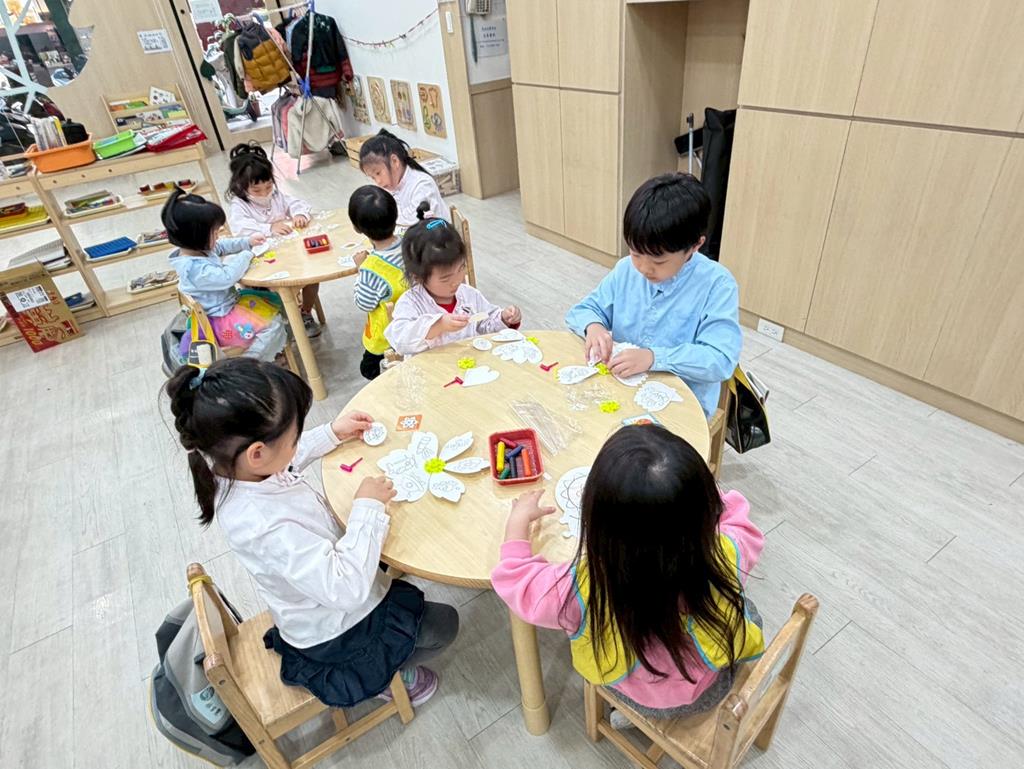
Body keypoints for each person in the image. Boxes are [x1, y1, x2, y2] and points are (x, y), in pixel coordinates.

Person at [164, 357, 459, 707]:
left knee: (386, 557)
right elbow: (346, 589)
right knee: (445, 625)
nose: (297, 442)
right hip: (334, 631)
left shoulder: (235, 469)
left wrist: (333, 432)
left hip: (314, 599)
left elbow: (284, 458)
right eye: (294, 437)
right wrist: (366, 507)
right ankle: (381, 675)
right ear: (257, 453)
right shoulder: (263, 524)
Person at [492, 424, 765, 719]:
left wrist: (517, 523)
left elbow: (518, 582)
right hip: (708, 685)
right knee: (749, 612)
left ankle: (632, 720)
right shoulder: (728, 551)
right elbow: (736, 515)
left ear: (596, 520)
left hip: (637, 695)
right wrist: (689, 492)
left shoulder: (580, 589)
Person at [565, 173, 742, 418]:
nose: (644, 268)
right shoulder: (626, 270)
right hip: (622, 388)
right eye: (636, 253)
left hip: (681, 405)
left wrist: (653, 357)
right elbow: (583, 310)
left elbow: (720, 359)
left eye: (659, 261)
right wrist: (593, 326)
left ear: (695, 246)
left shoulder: (717, 285)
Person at [163, 189, 288, 363]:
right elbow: (227, 277)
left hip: (227, 307)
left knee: (275, 302)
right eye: (214, 233)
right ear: (196, 237)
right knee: (273, 325)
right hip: (219, 321)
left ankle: (273, 350)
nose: (218, 235)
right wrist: (247, 254)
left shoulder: (197, 250)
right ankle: (250, 363)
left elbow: (221, 246)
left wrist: (247, 241)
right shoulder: (194, 269)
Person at [384, 205, 520, 356]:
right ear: (418, 277)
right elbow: (400, 341)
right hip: (431, 369)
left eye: (461, 268)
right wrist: (438, 325)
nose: (457, 281)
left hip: (470, 364)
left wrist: (504, 318)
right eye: (445, 278)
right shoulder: (411, 303)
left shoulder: (469, 295)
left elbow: (485, 324)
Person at [226, 142, 321, 339]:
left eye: (268, 186)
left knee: (313, 277)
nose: (264, 193)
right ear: (241, 187)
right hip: (262, 262)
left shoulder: (276, 195)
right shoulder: (239, 205)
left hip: (288, 253)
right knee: (279, 288)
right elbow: (241, 229)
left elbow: (296, 203)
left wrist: (299, 214)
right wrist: (269, 228)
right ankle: (283, 320)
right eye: (257, 190)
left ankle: (304, 313)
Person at [348, 185, 407, 380]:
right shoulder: (411, 244)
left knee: (368, 369)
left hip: (388, 338)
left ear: (357, 228)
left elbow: (364, 303)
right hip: (417, 324)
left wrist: (360, 268)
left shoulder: (371, 269)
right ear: (395, 216)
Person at [359, 129, 450, 227]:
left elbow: (414, 220)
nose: (378, 182)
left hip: (437, 233)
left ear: (394, 161)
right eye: (373, 177)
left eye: (378, 173)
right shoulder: (390, 184)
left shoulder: (422, 184)